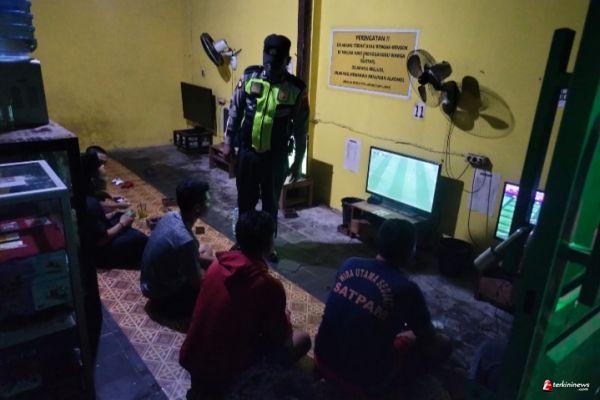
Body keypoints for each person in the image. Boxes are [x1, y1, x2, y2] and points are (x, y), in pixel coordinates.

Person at [180, 210, 311, 399]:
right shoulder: (268, 285)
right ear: (269, 243)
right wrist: (286, 317)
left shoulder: (216, 266)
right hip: (227, 377)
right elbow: (280, 336)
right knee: (303, 339)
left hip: (193, 361)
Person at [314, 219, 452, 398]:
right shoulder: (407, 289)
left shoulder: (350, 263)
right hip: (362, 382)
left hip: (322, 359)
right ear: (410, 252)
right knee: (442, 344)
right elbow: (427, 335)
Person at [223, 34, 309, 263]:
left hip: (275, 158)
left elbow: (301, 130)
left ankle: (267, 246)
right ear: (263, 57)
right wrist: (228, 142)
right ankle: (243, 242)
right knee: (245, 202)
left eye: (277, 63)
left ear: (286, 61)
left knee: (270, 206)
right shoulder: (250, 76)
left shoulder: (296, 89)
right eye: (267, 61)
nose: (270, 67)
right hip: (248, 154)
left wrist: (298, 162)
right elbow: (235, 110)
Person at [140, 179, 214, 317]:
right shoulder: (186, 241)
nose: (210, 205)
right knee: (214, 286)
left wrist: (215, 262)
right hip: (162, 295)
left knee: (206, 248)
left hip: (149, 283)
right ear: (197, 208)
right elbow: (197, 282)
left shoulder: (170, 215)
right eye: (208, 201)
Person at [80, 151, 148, 269]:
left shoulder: (86, 194)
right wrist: (122, 224)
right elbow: (100, 241)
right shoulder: (91, 203)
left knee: (119, 215)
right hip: (99, 253)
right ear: (93, 180)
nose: (106, 179)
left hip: (94, 237)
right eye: (104, 177)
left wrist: (114, 214)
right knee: (138, 237)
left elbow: (96, 220)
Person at [84, 145, 131, 212]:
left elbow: (94, 193)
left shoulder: (91, 174)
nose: (102, 167)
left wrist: (112, 198)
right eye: (99, 163)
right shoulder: (84, 177)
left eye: (104, 163)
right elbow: (93, 204)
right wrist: (118, 205)